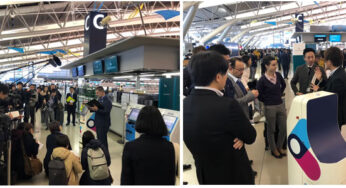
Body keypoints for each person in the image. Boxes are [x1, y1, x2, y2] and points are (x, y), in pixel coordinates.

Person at [184, 51, 256, 184]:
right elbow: (250, 136)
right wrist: (240, 136)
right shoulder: (227, 105)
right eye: (225, 75)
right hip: (233, 174)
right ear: (218, 77)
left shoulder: (185, 104)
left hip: (205, 175)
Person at [121, 106, 178, 185]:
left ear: (139, 121)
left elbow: (126, 179)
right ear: (161, 122)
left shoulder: (130, 147)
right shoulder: (172, 147)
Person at [257, 56, 287, 158]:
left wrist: (279, 94)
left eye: (276, 64)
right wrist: (267, 100)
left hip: (280, 104)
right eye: (273, 65)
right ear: (266, 66)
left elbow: (283, 85)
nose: (275, 67)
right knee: (271, 129)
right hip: (269, 107)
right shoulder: (262, 80)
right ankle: (273, 149)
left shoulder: (278, 75)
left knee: (283, 127)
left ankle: (279, 146)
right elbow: (259, 95)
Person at [312, 47, 346, 128]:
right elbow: (330, 87)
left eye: (325, 60)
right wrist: (320, 79)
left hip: (337, 116)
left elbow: (331, 97)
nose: (324, 62)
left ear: (329, 62)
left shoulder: (339, 77)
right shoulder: (337, 73)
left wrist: (318, 90)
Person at [89, 86, 112, 152]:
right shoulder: (99, 99)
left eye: (97, 92)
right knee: (99, 138)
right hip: (98, 122)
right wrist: (92, 109)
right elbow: (97, 110)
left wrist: (97, 109)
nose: (96, 94)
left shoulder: (107, 101)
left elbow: (106, 112)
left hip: (104, 123)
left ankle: (105, 153)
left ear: (102, 92)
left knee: (103, 140)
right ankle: (101, 151)